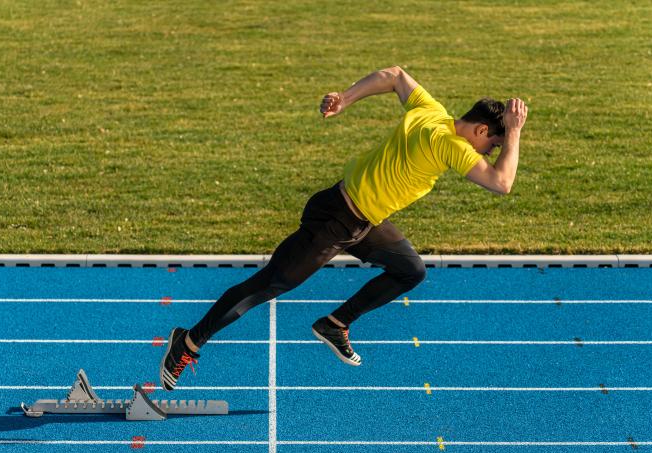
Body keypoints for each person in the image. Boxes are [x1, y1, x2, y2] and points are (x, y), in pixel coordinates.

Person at [160, 66, 528, 390]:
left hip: (363, 220)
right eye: (491, 145)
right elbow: (502, 183)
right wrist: (513, 133)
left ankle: (335, 324)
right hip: (336, 220)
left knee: (409, 270)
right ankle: (188, 342)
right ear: (481, 129)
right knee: (268, 284)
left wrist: (346, 98)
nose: (487, 154)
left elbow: (395, 75)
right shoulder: (452, 145)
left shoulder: (431, 112)